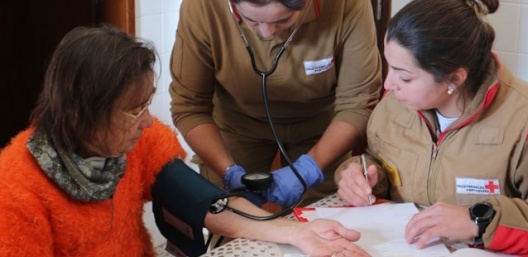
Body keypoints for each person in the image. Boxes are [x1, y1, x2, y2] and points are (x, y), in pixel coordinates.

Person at [0, 25, 371, 257]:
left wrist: (298, 232)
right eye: (134, 109)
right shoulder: (15, 189)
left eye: (147, 103)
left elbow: (205, 203)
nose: (147, 120)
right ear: (87, 111)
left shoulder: (139, 143)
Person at [335, 0, 528, 257]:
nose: (388, 84)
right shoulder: (396, 104)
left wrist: (480, 221)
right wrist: (362, 175)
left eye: (404, 75)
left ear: (454, 78)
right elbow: (382, 162)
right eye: (389, 65)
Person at [169, 0, 382, 208]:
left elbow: (358, 103)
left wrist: (310, 168)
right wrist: (227, 171)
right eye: (252, 21)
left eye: (283, 21)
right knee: (233, 218)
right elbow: (189, 105)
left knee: (327, 222)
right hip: (236, 125)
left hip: (323, 128)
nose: (267, 33)